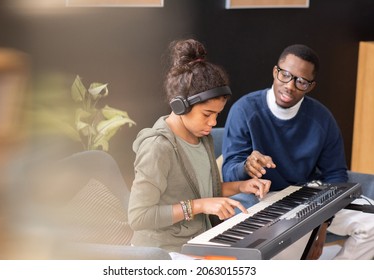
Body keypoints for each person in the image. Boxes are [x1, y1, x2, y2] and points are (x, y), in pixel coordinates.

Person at [222, 44, 374, 260]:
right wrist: (245, 166)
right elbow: (229, 173)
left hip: (312, 201)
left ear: (310, 86)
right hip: (263, 199)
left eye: (301, 81)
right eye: (285, 75)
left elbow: (337, 175)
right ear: (275, 72)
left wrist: (321, 223)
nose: (290, 86)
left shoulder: (322, 118)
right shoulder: (245, 110)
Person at [128, 39, 271, 254]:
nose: (213, 123)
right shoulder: (157, 148)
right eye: (207, 114)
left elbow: (205, 191)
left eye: (217, 114)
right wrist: (199, 206)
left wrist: (241, 186)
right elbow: (139, 217)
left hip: (199, 240)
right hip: (163, 253)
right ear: (180, 105)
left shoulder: (203, 137)